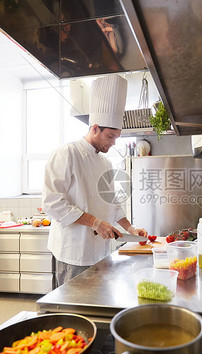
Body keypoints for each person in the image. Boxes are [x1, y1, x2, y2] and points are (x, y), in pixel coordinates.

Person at [42, 74, 147, 287]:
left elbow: (113, 204)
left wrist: (131, 229)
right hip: (73, 253)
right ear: (95, 128)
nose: (113, 144)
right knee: (72, 308)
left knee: (96, 305)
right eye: (110, 137)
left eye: (116, 138)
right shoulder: (66, 153)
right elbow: (52, 203)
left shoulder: (105, 163)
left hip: (100, 251)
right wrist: (96, 223)